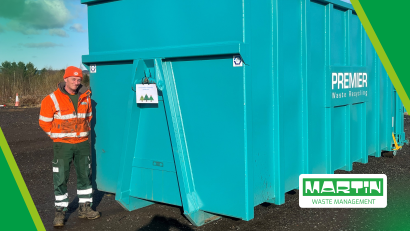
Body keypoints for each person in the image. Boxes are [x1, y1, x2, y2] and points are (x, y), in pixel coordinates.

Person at [39, 66, 100, 227]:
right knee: (60, 178)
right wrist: (57, 135)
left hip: (82, 144)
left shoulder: (85, 97)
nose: (76, 82)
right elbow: (44, 122)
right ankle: (60, 212)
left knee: (85, 176)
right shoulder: (51, 99)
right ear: (65, 79)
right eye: (73, 79)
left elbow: (88, 117)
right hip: (62, 145)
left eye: (79, 79)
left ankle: (85, 208)